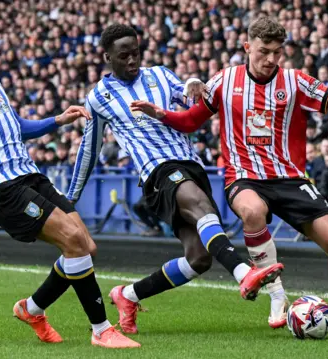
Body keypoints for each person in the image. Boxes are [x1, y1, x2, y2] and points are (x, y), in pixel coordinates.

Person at [132, 16, 328, 332]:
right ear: (248, 46)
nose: (271, 59)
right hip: (244, 177)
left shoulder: (294, 81)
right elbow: (192, 121)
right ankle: (277, 295)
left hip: (289, 176)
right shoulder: (223, 81)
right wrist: (162, 114)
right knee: (252, 211)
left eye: (277, 52)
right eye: (264, 51)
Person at [0, 14, 139, 349]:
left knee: (86, 247)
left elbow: (15, 126)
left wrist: (56, 121)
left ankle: (32, 309)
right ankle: (102, 330)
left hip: (29, 174)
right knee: (73, 240)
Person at [68, 24, 283, 334]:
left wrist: (195, 84)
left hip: (190, 166)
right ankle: (242, 272)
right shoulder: (99, 98)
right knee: (199, 205)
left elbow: (188, 96)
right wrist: (70, 198)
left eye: (136, 54)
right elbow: (89, 150)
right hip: (157, 172)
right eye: (124, 56)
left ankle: (128, 295)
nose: (132, 60)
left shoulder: (159, 75)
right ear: (108, 57)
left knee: (199, 258)